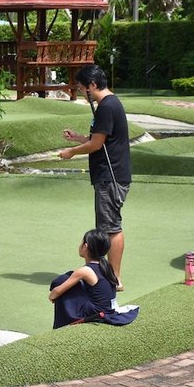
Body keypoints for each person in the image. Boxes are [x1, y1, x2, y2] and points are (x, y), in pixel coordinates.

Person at [59, 64, 131, 290]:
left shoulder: (106, 106)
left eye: (81, 88)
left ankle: (115, 278)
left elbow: (97, 144)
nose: (81, 92)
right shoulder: (108, 104)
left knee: (111, 228)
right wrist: (78, 138)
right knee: (108, 226)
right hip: (109, 175)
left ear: (92, 85)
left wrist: (70, 152)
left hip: (110, 176)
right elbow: (99, 141)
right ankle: (111, 275)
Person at [48, 229, 118, 329]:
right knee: (70, 277)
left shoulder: (85, 271)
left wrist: (52, 297)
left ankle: (60, 327)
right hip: (107, 309)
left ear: (85, 247)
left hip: (96, 313)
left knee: (62, 280)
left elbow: (56, 292)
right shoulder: (107, 266)